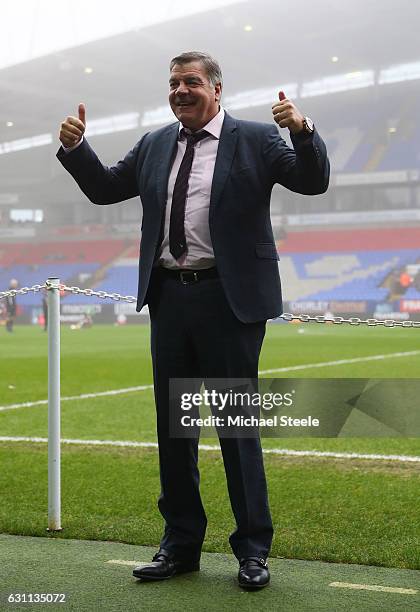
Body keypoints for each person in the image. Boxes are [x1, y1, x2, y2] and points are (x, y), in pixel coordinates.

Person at [57, 51, 329, 590]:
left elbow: (313, 180)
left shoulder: (255, 139)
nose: (180, 90)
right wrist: (76, 150)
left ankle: (253, 550)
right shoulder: (156, 143)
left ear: (217, 88)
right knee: (175, 432)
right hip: (170, 301)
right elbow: (107, 187)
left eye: (192, 82)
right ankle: (180, 545)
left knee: (235, 430)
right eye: (174, 83)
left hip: (229, 303)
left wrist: (303, 130)